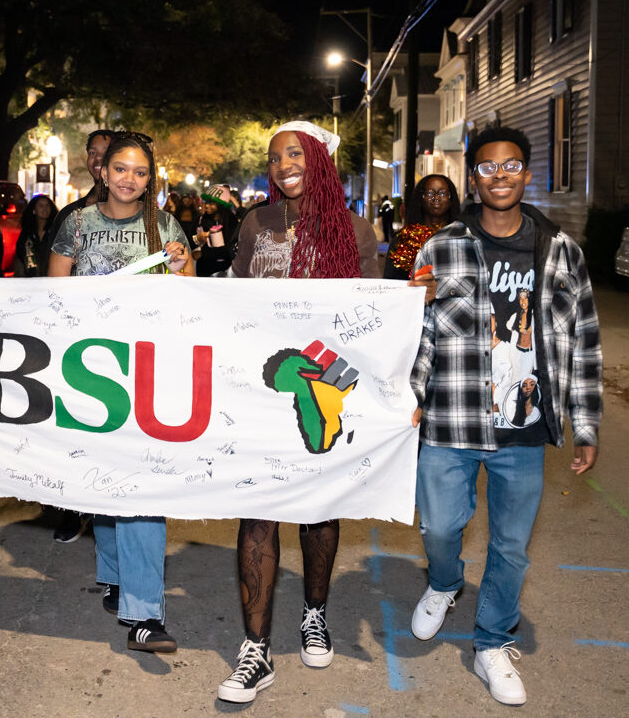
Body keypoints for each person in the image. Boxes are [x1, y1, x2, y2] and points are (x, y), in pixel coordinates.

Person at [408, 126, 602, 707]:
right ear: (474, 177)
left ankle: (492, 641)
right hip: (451, 419)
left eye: (511, 166)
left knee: (512, 547)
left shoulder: (561, 250)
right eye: (488, 168)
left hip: (525, 424)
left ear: (527, 172)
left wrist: (586, 424)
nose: (500, 176)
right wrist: (412, 397)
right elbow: (417, 334)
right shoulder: (440, 247)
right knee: (440, 528)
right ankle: (444, 582)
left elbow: (585, 341)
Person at [217, 121, 378, 705]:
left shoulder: (355, 230)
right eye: (274, 156)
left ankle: (314, 613)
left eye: (295, 153)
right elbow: (234, 299)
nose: (284, 163)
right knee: (257, 512)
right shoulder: (255, 224)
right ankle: (255, 650)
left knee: (317, 510)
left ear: (319, 159)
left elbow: (373, 321)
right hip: (261, 388)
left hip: (322, 390)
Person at [49, 131, 193, 653]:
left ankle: (145, 615)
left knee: (143, 489)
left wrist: (181, 267)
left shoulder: (166, 226)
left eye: (140, 171)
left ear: (148, 179)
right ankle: (112, 573)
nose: (130, 178)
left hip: (146, 373)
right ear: (103, 172)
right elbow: (53, 295)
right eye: (121, 169)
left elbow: (189, 296)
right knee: (104, 483)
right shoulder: (78, 224)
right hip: (88, 373)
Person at [46, 128, 113, 542]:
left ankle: (105, 508)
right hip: (74, 337)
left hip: (121, 341)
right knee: (72, 423)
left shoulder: (147, 219)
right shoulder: (71, 216)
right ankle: (71, 506)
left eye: (107, 153)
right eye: (93, 152)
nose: (97, 160)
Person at [383, 175, 460, 280]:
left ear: (451, 199)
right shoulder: (402, 239)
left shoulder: (462, 237)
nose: (436, 198)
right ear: (420, 199)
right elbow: (390, 283)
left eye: (442, 193)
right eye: (430, 193)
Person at [13, 194, 59, 277]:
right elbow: (20, 256)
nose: (45, 209)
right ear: (34, 210)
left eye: (47, 205)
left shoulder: (56, 231)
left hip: (51, 279)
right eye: (41, 206)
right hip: (30, 281)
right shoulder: (27, 233)